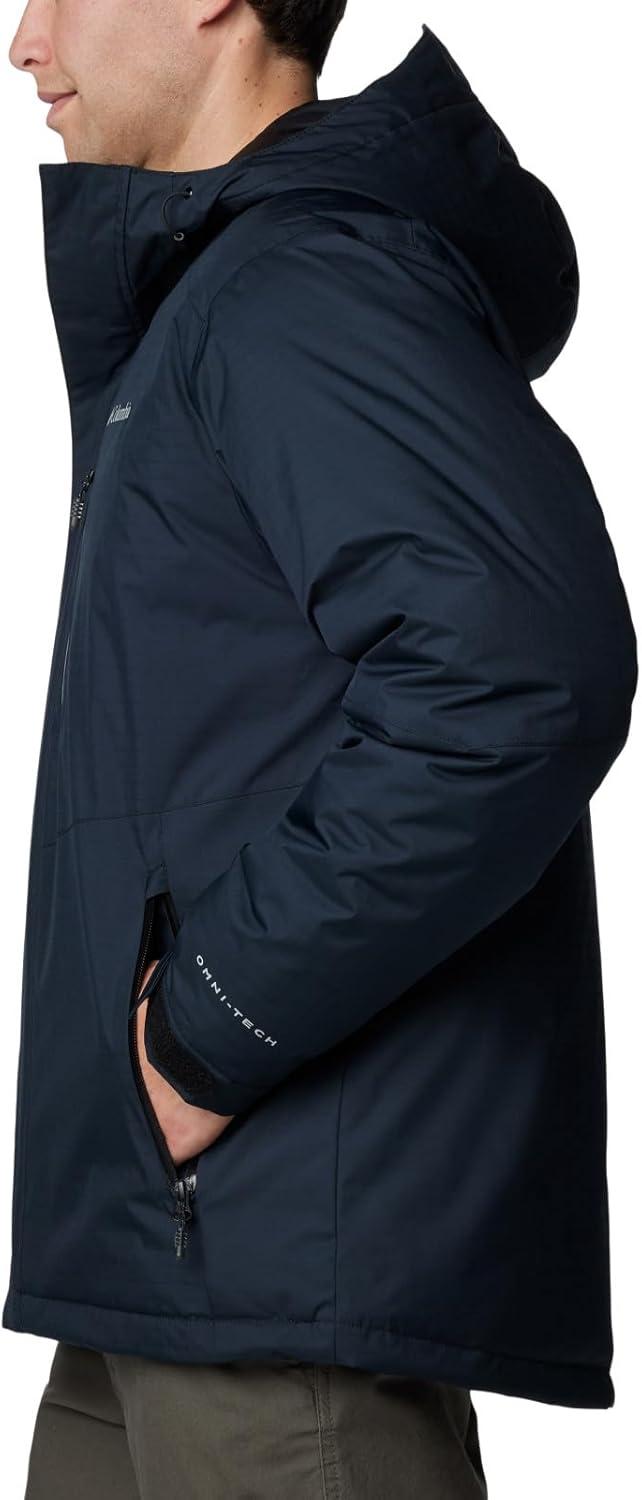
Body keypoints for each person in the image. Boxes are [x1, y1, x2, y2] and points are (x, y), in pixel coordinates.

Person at [5, 2, 637, 1496]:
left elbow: (515, 672)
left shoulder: (302, 286)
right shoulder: (212, 304)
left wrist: (208, 1026)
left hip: (278, 1276)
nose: (27, 39)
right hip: (172, 1261)